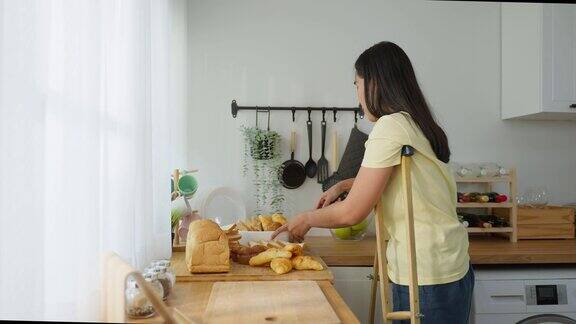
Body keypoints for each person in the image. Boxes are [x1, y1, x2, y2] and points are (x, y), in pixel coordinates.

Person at [272, 41, 474, 323]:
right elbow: (405, 180)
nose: (357, 94)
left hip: (424, 274)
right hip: (451, 266)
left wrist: (305, 218)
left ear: (375, 84)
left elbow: (352, 212)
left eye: (357, 84)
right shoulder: (419, 124)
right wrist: (344, 185)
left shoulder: (390, 127)